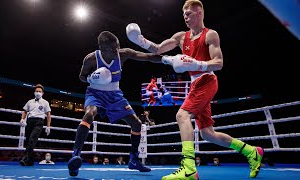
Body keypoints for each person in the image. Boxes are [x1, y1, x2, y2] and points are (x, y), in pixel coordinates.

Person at [126, 0, 263, 179]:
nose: (185, 16)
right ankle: (252, 151)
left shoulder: (210, 35)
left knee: (181, 115)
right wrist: (140, 40)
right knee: (208, 134)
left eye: (189, 13)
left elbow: (219, 63)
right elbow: (158, 49)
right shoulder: (181, 37)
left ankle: (189, 169)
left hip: (207, 80)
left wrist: (196, 64)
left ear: (199, 13)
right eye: (184, 14)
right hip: (195, 83)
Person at [67, 31, 163, 176]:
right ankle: (75, 156)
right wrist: (91, 78)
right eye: (112, 49)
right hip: (95, 93)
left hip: (115, 95)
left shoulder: (123, 54)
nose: (116, 51)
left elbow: (148, 57)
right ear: (101, 48)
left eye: (117, 47)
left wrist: (168, 60)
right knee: (89, 114)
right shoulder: (91, 59)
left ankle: (134, 160)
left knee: (137, 124)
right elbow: (81, 76)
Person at [19, 84, 51, 166]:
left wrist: (48, 126)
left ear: (42, 93)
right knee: (28, 140)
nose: (38, 92)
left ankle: (25, 158)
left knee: (32, 140)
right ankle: (30, 161)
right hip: (30, 121)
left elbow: (48, 114)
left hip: (39, 122)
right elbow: (25, 111)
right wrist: (22, 119)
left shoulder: (45, 102)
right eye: (36, 91)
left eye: (39, 91)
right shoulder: (30, 101)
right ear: (34, 92)